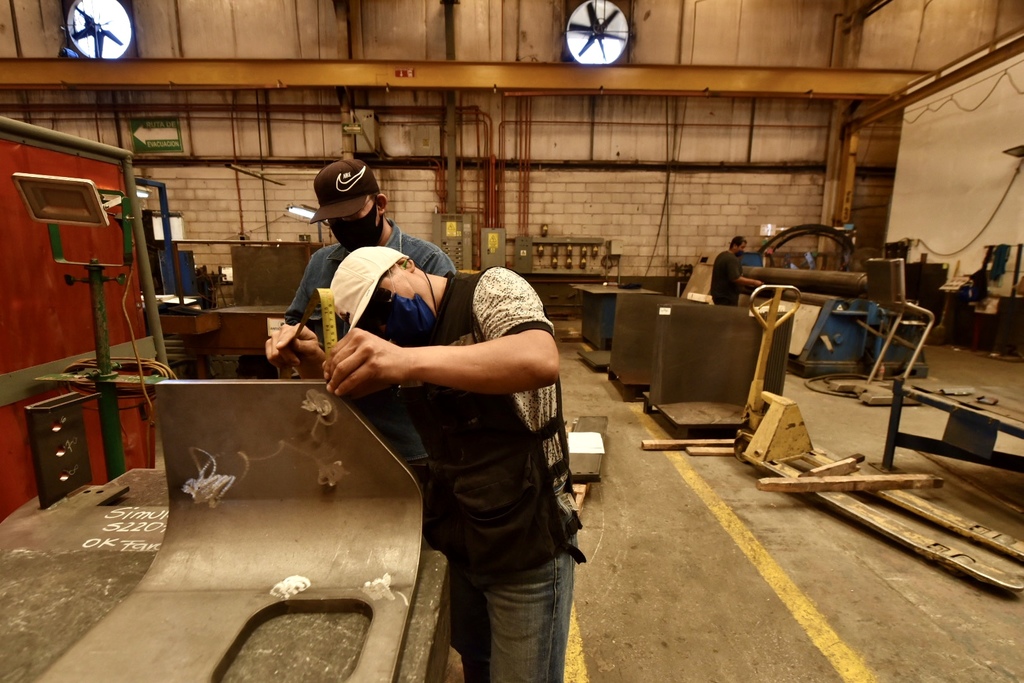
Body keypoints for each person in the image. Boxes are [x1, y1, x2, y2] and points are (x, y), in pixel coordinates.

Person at [320, 246, 586, 683]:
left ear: (406, 265)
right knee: (476, 662)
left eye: (383, 304)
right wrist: (314, 360)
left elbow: (539, 359)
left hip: (526, 541)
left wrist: (403, 360)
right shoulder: (404, 346)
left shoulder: (491, 289)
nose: (386, 327)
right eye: (372, 324)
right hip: (461, 537)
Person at [266, 159, 455, 463]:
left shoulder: (427, 262)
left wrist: (391, 365)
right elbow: (296, 323)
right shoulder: (321, 265)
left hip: (411, 443)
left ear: (380, 204)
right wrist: (292, 342)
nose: (343, 226)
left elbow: (451, 354)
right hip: (339, 432)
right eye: (333, 220)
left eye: (351, 215)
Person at [710, 235, 763, 306]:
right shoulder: (731, 259)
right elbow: (735, 278)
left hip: (718, 295)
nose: (743, 250)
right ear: (735, 246)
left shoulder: (721, 255)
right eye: (742, 247)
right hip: (727, 297)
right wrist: (754, 282)